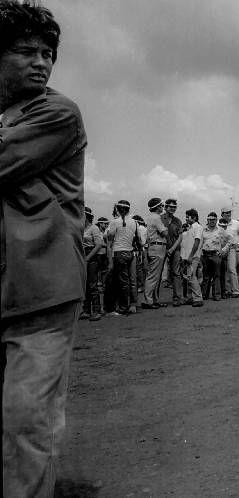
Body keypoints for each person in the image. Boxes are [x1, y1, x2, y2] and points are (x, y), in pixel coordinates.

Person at [1, 3, 87, 495]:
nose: (41, 62)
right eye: (25, 51)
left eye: (48, 53)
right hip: (6, 283)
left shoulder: (56, 112)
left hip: (43, 288)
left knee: (26, 420)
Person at [142, 197, 168, 309]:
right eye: (161, 206)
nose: (163, 207)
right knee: (153, 276)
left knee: (155, 276)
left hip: (156, 246)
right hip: (157, 246)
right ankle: (148, 300)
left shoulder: (152, 217)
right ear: (157, 207)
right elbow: (165, 233)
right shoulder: (157, 218)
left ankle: (153, 299)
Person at [81, 207, 103, 321]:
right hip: (82, 255)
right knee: (84, 285)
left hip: (91, 256)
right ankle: (86, 310)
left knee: (92, 285)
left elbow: (98, 244)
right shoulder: (79, 228)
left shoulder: (94, 228)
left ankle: (97, 310)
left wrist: (88, 258)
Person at [162, 199, 184, 307]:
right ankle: (154, 299)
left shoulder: (178, 221)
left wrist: (171, 249)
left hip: (175, 249)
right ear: (165, 207)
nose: (173, 209)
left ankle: (177, 298)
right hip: (162, 248)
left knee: (176, 273)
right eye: (171, 207)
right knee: (158, 273)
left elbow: (180, 237)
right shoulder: (160, 219)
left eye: (174, 207)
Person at [181, 209, 204, 307]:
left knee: (191, 277)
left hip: (193, 256)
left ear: (194, 217)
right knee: (188, 278)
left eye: (188, 217)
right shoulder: (189, 228)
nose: (186, 218)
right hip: (187, 256)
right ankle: (190, 297)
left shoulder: (197, 227)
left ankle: (198, 298)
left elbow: (197, 242)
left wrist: (190, 256)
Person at [220, 207, 239, 298]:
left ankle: (235, 291)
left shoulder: (236, 223)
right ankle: (226, 290)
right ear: (222, 214)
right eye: (225, 213)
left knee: (231, 269)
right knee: (223, 270)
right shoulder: (219, 223)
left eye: (229, 213)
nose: (228, 214)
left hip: (231, 248)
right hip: (221, 248)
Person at [200, 212, 224, 301]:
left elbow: (230, 240)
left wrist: (223, 251)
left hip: (216, 255)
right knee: (206, 276)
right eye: (210, 219)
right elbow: (200, 243)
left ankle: (216, 295)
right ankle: (204, 295)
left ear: (216, 220)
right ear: (207, 220)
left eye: (214, 219)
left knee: (217, 276)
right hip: (205, 254)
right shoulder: (203, 230)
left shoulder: (220, 230)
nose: (212, 221)